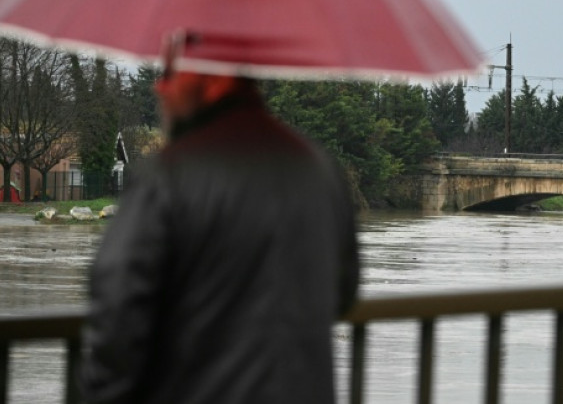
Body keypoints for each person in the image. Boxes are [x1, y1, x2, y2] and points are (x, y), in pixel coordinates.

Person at [80, 36, 360, 403]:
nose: (159, 86)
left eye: (170, 73)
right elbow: (343, 293)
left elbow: (117, 317)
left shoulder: (168, 177)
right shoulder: (320, 170)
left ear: (216, 79)